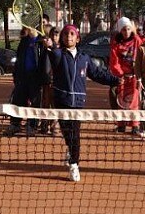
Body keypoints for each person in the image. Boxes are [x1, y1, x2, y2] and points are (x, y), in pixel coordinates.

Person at [44, 25, 118, 182]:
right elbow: (54, 55)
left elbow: (98, 74)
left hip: (78, 102)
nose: (68, 37)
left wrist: (116, 80)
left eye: (72, 34)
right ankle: (72, 152)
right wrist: (50, 46)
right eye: (65, 34)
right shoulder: (59, 55)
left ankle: (74, 165)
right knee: (67, 133)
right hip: (61, 100)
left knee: (75, 135)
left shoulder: (85, 58)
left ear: (77, 39)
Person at [4, 27, 47, 137]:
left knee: (35, 103)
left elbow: (45, 61)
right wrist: (16, 75)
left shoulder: (42, 42)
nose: (30, 28)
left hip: (35, 78)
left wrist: (43, 78)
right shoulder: (24, 41)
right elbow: (18, 58)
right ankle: (15, 124)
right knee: (18, 101)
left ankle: (32, 126)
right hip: (22, 77)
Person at [109, 17, 143, 135]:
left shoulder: (137, 40)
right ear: (120, 31)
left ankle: (135, 126)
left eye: (128, 29)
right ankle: (121, 125)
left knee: (134, 102)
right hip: (122, 78)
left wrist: (137, 73)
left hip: (134, 77)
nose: (126, 32)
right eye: (124, 30)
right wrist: (120, 75)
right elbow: (114, 62)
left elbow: (141, 54)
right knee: (121, 101)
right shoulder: (116, 44)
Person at [39, 25, 59, 135]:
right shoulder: (45, 49)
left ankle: (54, 126)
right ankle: (44, 125)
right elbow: (42, 64)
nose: (54, 37)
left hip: (57, 82)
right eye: (53, 35)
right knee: (45, 103)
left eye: (56, 35)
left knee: (55, 104)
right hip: (46, 81)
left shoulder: (61, 49)